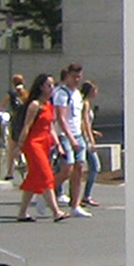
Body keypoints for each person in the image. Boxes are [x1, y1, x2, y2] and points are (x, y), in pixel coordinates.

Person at [4, 73, 67, 223]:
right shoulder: (34, 105)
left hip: (45, 143)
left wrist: (58, 145)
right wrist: (19, 146)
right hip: (33, 144)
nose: (52, 88)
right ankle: (56, 212)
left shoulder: (48, 105)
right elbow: (27, 126)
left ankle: (22, 213)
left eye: (53, 85)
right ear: (40, 87)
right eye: (48, 85)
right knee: (46, 175)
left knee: (33, 178)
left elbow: (50, 127)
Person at [50, 64, 89, 216]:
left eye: (79, 76)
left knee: (79, 168)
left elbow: (79, 117)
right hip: (64, 135)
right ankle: (45, 191)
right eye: (74, 76)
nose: (77, 80)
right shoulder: (61, 93)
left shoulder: (77, 94)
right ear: (67, 76)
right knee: (67, 168)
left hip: (77, 133)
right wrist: (71, 138)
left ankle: (75, 205)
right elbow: (60, 118)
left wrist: (84, 136)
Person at [76, 79, 103, 209]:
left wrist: (93, 131)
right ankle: (86, 196)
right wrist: (90, 139)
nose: (96, 93)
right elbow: (84, 122)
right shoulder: (85, 104)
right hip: (84, 138)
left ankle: (58, 191)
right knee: (94, 166)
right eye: (94, 90)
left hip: (84, 136)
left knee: (72, 168)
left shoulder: (83, 103)